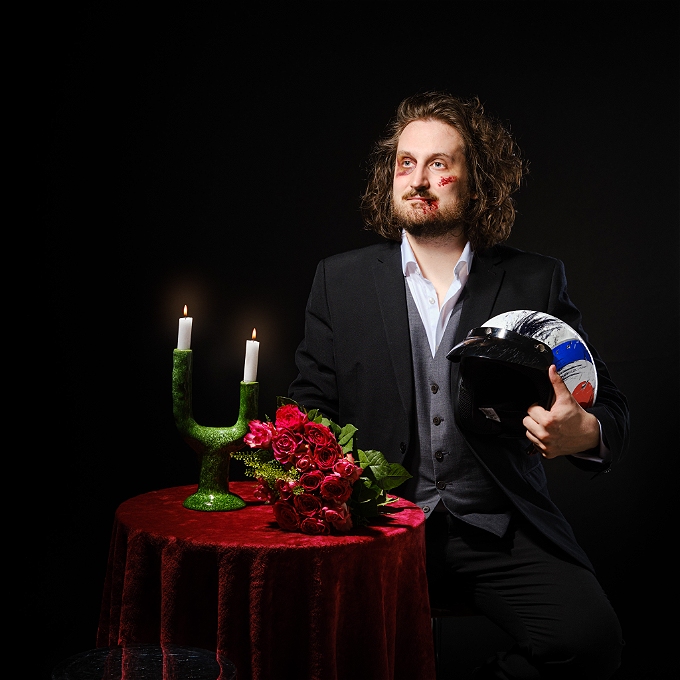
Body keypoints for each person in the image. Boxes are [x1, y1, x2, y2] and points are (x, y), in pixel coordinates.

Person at [288, 91, 629, 679]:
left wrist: (585, 432)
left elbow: (605, 404)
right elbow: (307, 406)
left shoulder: (535, 281)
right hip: (376, 529)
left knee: (590, 639)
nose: (419, 179)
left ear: (477, 183)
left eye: (440, 164)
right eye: (406, 163)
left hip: (497, 528)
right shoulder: (338, 281)